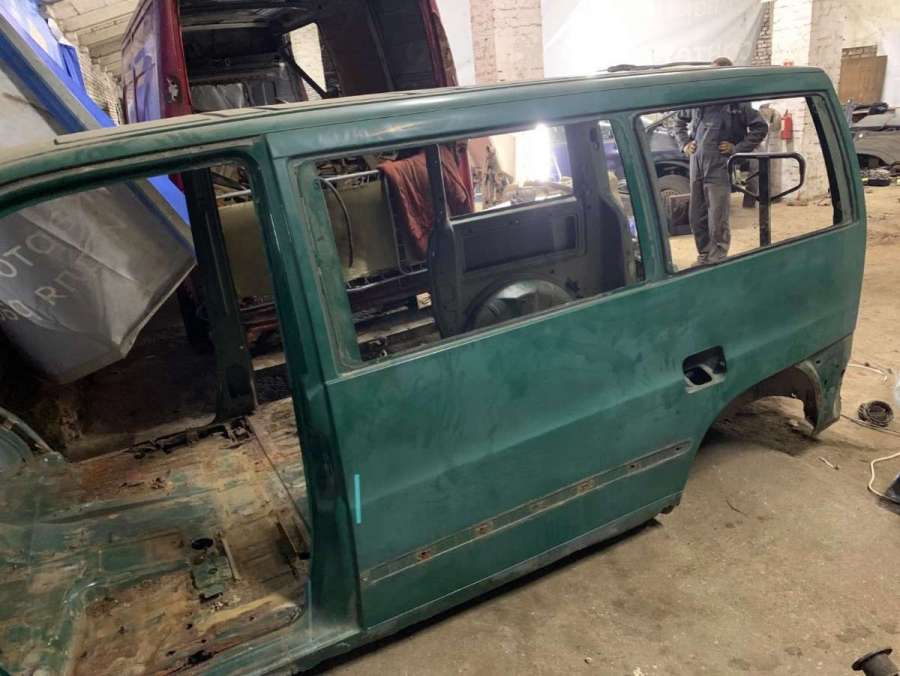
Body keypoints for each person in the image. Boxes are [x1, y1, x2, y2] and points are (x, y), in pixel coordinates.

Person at [673, 57, 768, 264]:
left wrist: (737, 148)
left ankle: (717, 259)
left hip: (720, 165)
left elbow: (760, 127)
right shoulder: (698, 100)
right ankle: (704, 255)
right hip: (697, 164)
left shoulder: (737, 102)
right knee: (696, 216)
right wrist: (685, 143)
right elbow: (678, 120)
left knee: (717, 217)